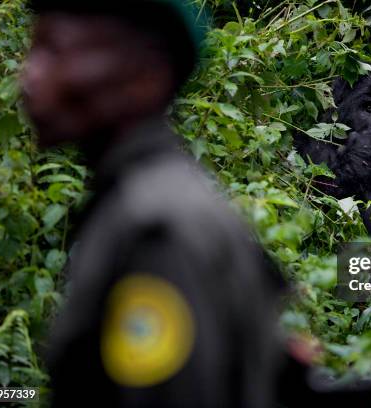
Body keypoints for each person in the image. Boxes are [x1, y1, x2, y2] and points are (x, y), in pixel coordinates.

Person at [21, 1, 282, 406]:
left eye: (55, 51)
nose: (29, 77)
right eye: (32, 50)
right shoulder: (145, 199)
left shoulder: (155, 227)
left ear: (144, 78)